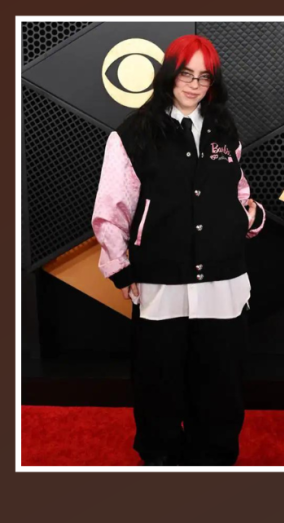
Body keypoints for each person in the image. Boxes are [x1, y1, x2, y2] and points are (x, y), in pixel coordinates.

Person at [91, 34, 266, 466]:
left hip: (223, 284)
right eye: (186, 74)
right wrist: (121, 268)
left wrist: (248, 218)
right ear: (169, 73)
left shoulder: (226, 130)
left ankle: (216, 460)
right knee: (159, 385)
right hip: (161, 283)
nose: (193, 85)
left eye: (203, 77)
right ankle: (162, 464)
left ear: (213, 82)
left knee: (221, 384)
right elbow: (110, 209)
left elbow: (237, 190)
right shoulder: (133, 134)